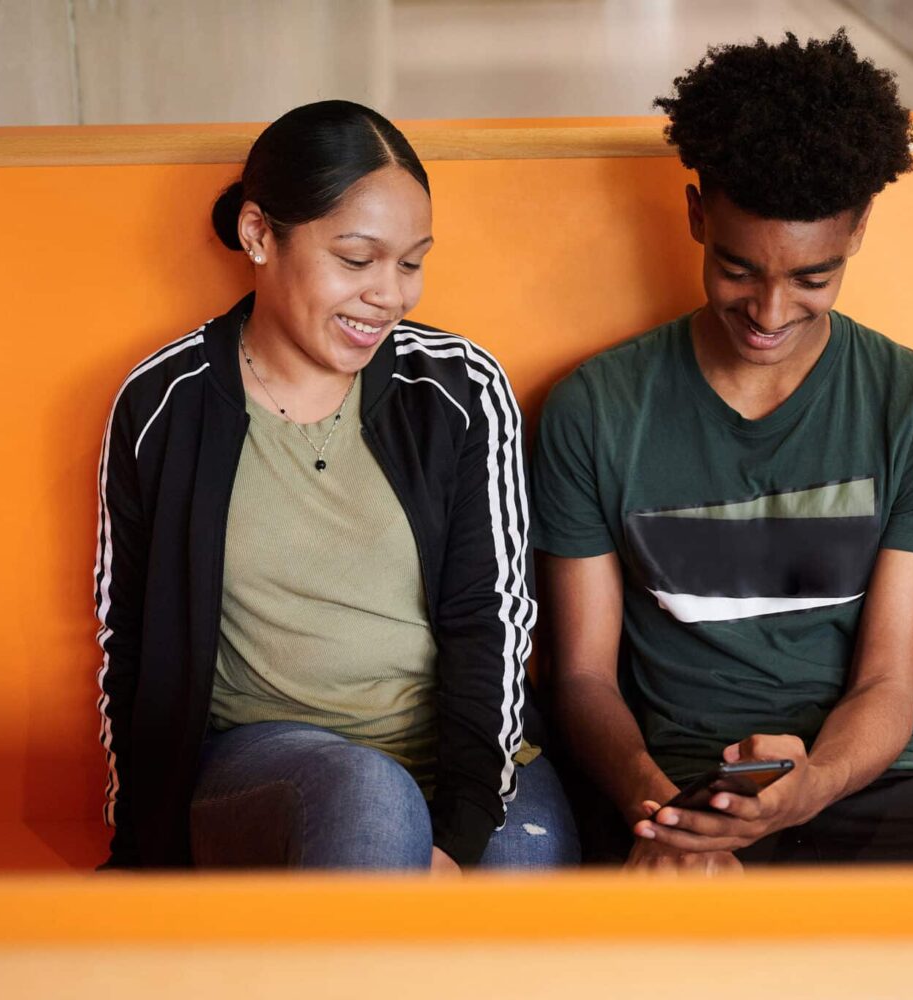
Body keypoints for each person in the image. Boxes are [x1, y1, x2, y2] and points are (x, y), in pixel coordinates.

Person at [532, 32, 913, 874]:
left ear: (858, 230)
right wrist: (670, 819)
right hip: (677, 787)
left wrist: (811, 783)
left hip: (876, 782)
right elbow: (585, 682)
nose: (770, 312)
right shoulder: (595, 410)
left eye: (811, 279)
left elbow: (888, 685)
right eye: (737, 269)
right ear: (698, 216)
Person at [95, 100, 577, 871]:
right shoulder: (166, 404)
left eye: (412, 262)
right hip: (270, 770)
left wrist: (457, 835)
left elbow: (493, 619)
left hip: (467, 767)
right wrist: (137, 858)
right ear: (259, 235)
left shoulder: (458, 391)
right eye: (357, 260)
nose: (391, 294)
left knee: (508, 900)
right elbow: (130, 641)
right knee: (367, 798)